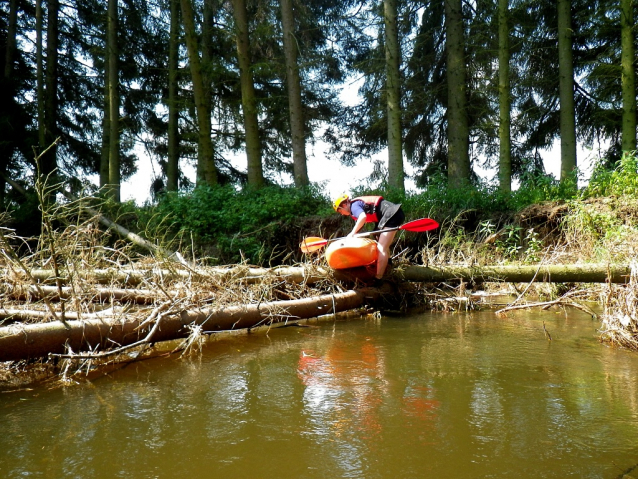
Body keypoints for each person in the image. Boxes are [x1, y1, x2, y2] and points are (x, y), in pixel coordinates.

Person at [333, 194, 405, 280]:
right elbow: (360, 224)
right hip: (390, 215)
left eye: (339, 211)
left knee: (381, 248)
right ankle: (388, 265)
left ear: (344, 205)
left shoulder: (354, 206)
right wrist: (353, 235)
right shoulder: (355, 207)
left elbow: (362, 217)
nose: (341, 214)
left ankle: (379, 278)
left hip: (392, 214)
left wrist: (352, 233)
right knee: (377, 237)